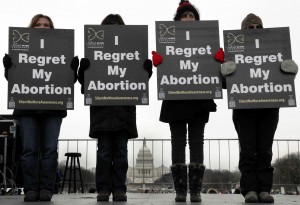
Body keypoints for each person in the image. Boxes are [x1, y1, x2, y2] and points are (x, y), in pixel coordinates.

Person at [219, 13, 298, 203]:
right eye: (249, 28)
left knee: (265, 149)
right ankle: (250, 190)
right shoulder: (235, 52)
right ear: (243, 31)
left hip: (269, 107)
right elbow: (225, 84)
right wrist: (224, 73)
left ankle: (264, 189)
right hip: (243, 109)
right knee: (247, 150)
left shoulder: (274, 48)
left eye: (257, 27)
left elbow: (281, 79)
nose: (254, 30)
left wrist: (291, 71)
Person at [2, 14, 79, 202]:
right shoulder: (21, 48)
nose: (42, 27)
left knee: (49, 149)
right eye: (38, 24)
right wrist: (8, 69)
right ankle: (30, 188)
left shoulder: (62, 50)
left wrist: (73, 71)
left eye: (46, 25)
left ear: (52, 29)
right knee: (29, 150)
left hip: (53, 109)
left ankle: (46, 188)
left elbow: (67, 82)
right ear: (32, 27)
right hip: (27, 109)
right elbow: (16, 81)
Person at [77, 14, 152, 202]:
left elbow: (135, 82)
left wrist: (145, 72)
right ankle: (103, 189)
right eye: (109, 27)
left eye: (117, 27)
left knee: (120, 153)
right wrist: (82, 72)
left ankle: (119, 188)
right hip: (102, 113)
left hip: (123, 112)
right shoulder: (95, 53)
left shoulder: (132, 52)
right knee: (103, 153)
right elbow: (86, 87)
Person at [153, 0, 221, 202]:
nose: (188, 19)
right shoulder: (168, 40)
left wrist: (218, 62)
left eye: (192, 16)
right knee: (177, 144)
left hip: (199, 100)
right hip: (175, 100)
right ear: (178, 19)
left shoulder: (206, 41)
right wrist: (161, 62)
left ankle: (196, 190)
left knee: (197, 143)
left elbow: (216, 73)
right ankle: (181, 191)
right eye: (185, 16)